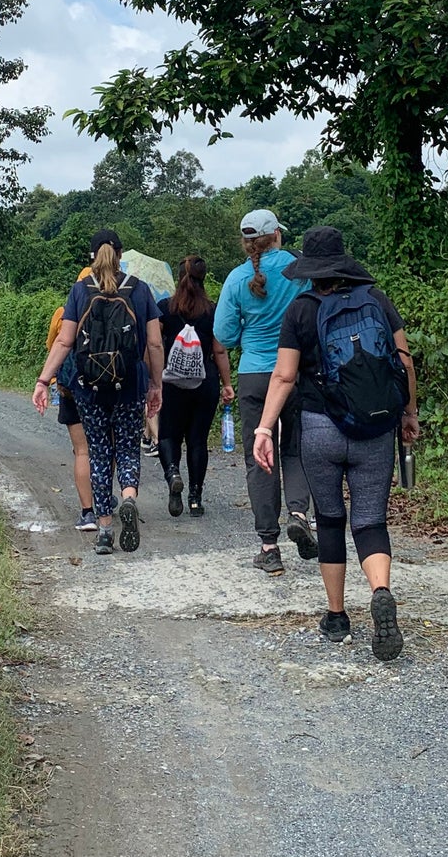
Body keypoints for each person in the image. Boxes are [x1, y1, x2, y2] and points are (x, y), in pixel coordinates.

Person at [253, 225, 418, 660]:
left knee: (329, 518)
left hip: (320, 426)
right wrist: (409, 414)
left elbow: (285, 376)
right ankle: (380, 590)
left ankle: (337, 615)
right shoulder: (377, 300)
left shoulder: (302, 309)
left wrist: (265, 428)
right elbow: (403, 360)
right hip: (375, 428)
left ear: (310, 269)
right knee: (370, 521)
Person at [32, 231, 164, 554]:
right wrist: (156, 384)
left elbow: (64, 341)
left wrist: (43, 380)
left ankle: (104, 529)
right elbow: (156, 343)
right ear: (120, 255)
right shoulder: (140, 289)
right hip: (130, 385)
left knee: (100, 454)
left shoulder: (80, 291)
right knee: (129, 448)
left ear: (92, 256)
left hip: (89, 390)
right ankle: (129, 497)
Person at [213, 208, 314, 574]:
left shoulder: (237, 278)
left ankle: (269, 546)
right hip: (295, 371)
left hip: (254, 374)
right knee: (295, 447)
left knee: (259, 454)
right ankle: (299, 513)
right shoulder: (297, 269)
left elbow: (223, 334)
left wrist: (249, 335)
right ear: (276, 236)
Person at [156, 254, 234, 517]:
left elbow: (153, 344)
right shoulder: (212, 310)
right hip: (204, 382)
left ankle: (172, 474)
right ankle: (195, 499)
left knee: (169, 434)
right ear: (204, 278)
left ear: (179, 278)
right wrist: (227, 383)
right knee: (198, 440)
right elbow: (219, 350)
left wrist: (152, 379)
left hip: (172, 383)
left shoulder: (165, 308)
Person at [45, 259, 96, 533]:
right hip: (104, 385)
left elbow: (53, 344)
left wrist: (46, 379)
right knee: (105, 448)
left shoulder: (63, 312)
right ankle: (105, 498)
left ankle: (88, 513)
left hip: (70, 387)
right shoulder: (113, 309)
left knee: (82, 451)